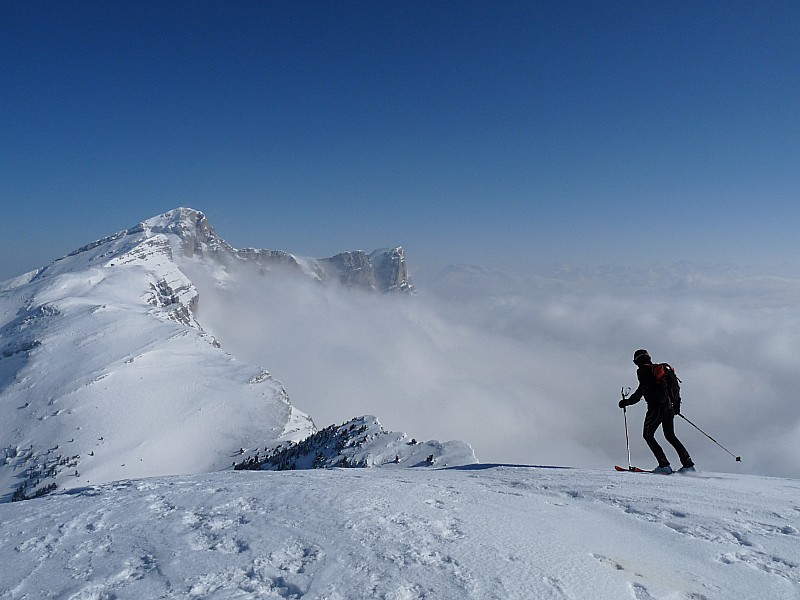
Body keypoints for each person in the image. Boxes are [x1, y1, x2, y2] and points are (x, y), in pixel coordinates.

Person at [619, 349, 695, 474]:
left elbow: (642, 389)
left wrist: (627, 402)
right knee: (670, 436)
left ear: (636, 361)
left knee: (648, 435)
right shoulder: (659, 370)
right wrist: (676, 406)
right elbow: (674, 388)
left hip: (656, 408)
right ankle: (688, 465)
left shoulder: (644, 372)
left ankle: (664, 465)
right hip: (669, 407)